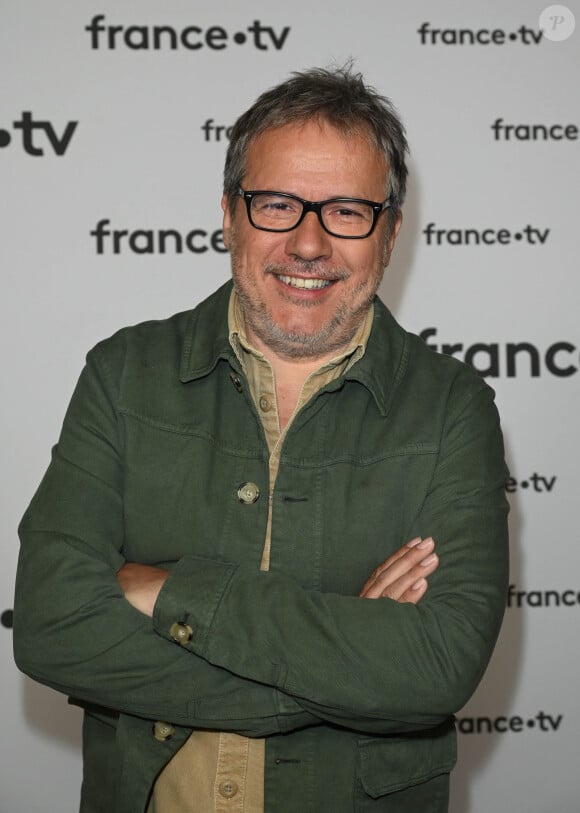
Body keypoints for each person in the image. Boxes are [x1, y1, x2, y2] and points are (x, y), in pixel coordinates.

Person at [13, 66, 509, 813]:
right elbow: (50, 627)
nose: (308, 243)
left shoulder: (453, 408)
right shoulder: (122, 377)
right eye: (277, 204)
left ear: (391, 232)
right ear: (228, 215)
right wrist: (351, 672)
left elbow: (435, 668)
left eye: (347, 210)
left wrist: (172, 593)